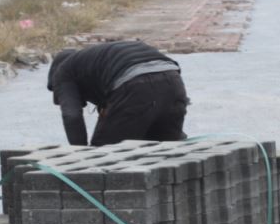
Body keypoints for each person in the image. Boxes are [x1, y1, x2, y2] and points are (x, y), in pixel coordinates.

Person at [47, 41, 189, 147]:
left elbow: (72, 115)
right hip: (174, 79)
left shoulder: (63, 72)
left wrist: (81, 156)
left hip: (134, 83)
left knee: (106, 152)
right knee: (165, 150)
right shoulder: (95, 60)